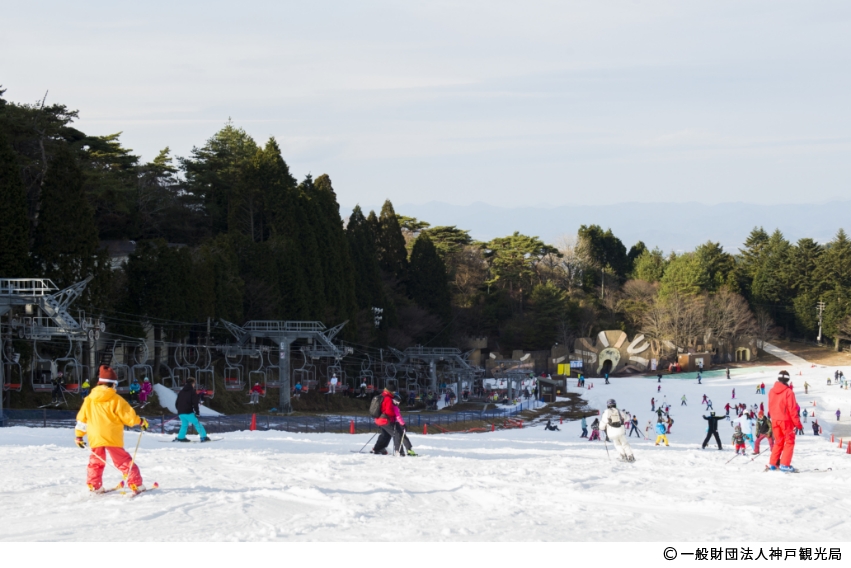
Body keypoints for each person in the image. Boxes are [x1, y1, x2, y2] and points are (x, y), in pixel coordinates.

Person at [74, 365, 149, 494]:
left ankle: (94, 485)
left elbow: (82, 419)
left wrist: (79, 436)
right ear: (113, 384)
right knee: (122, 460)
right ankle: (135, 483)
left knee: (96, 461)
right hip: (112, 436)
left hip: (95, 436)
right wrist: (140, 421)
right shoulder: (116, 399)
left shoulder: (89, 400)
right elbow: (128, 416)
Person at [768, 370, 803, 472]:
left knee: (778, 442)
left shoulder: (771, 391)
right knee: (789, 442)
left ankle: (773, 464)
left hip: (775, 420)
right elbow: (792, 410)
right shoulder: (789, 392)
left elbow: (770, 406)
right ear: (788, 379)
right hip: (786, 421)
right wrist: (798, 424)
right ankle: (784, 464)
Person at [372, 385, 411, 456]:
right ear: (391, 391)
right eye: (394, 391)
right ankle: (398, 451)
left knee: (385, 435)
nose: (394, 393)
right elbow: (389, 411)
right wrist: (395, 414)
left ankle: (378, 448)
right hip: (385, 420)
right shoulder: (388, 399)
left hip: (379, 419)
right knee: (397, 433)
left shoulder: (382, 396)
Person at [174, 377, 210, 442]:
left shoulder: (181, 392)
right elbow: (195, 403)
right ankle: (204, 437)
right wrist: (197, 412)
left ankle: (181, 437)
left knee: (184, 424)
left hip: (181, 413)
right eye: (194, 383)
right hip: (188, 412)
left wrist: (180, 410)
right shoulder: (192, 392)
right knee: (197, 423)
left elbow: (177, 403)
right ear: (192, 383)